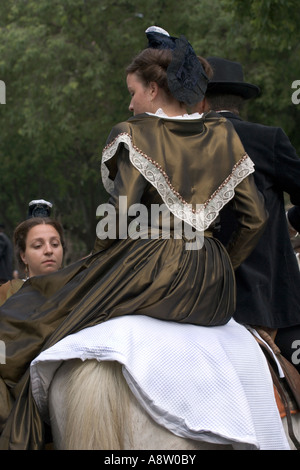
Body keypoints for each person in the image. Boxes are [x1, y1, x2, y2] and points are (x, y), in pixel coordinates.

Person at [0, 27, 268, 450]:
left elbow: (120, 217)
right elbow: (255, 220)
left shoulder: (136, 132)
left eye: (133, 91)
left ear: (155, 89)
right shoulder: (224, 135)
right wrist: (220, 263)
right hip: (212, 283)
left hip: (150, 269)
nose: (130, 102)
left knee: (26, 313)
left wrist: (98, 264)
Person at [193, 57, 300, 366]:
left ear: (200, 101)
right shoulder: (269, 139)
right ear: (240, 102)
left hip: (200, 300)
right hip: (269, 300)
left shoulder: (178, 145)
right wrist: (291, 220)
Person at [0, 216, 65, 307]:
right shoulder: (7, 296)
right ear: (23, 256)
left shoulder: (78, 292)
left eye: (55, 244)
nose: (49, 250)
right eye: (38, 245)